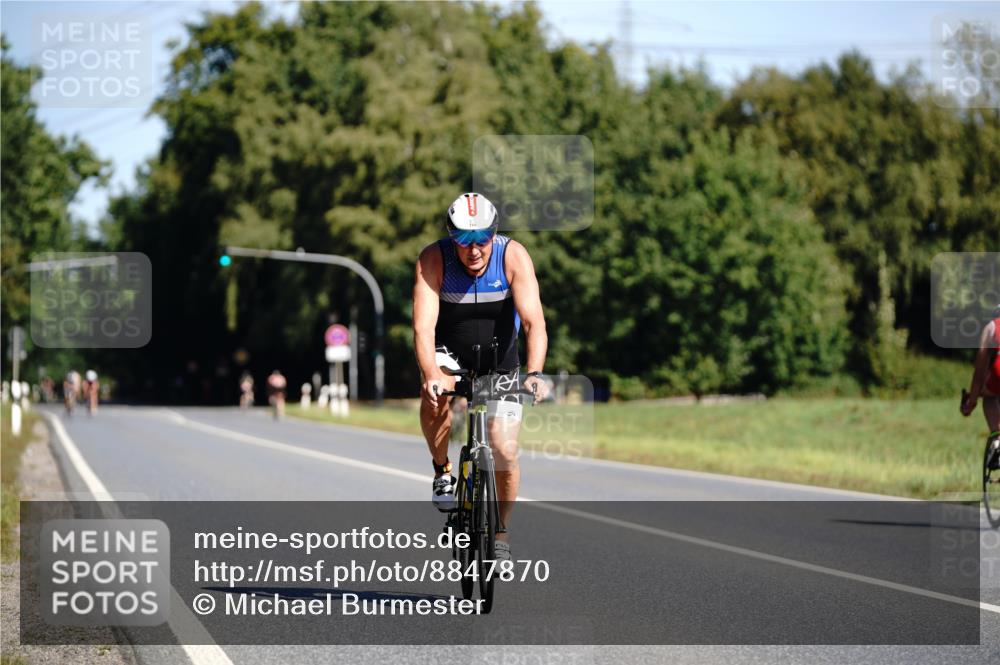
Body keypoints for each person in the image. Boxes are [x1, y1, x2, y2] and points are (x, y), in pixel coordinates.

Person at [412, 192, 550, 562]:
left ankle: (500, 532)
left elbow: (535, 324)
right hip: (449, 353)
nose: (473, 250)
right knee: (435, 394)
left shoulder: (513, 256)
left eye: (481, 240)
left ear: (494, 233)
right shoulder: (433, 259)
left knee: (504, 450)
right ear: (451, 237)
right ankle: (442, 471)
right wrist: (431, 375)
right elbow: (423, 329)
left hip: (500, 360)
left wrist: (534, 373)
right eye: (463, 241)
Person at [961, 305, 1000, 466]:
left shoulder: (991, 327)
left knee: (988, 396)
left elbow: (979, 374)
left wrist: (972, 402)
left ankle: (998, 440)